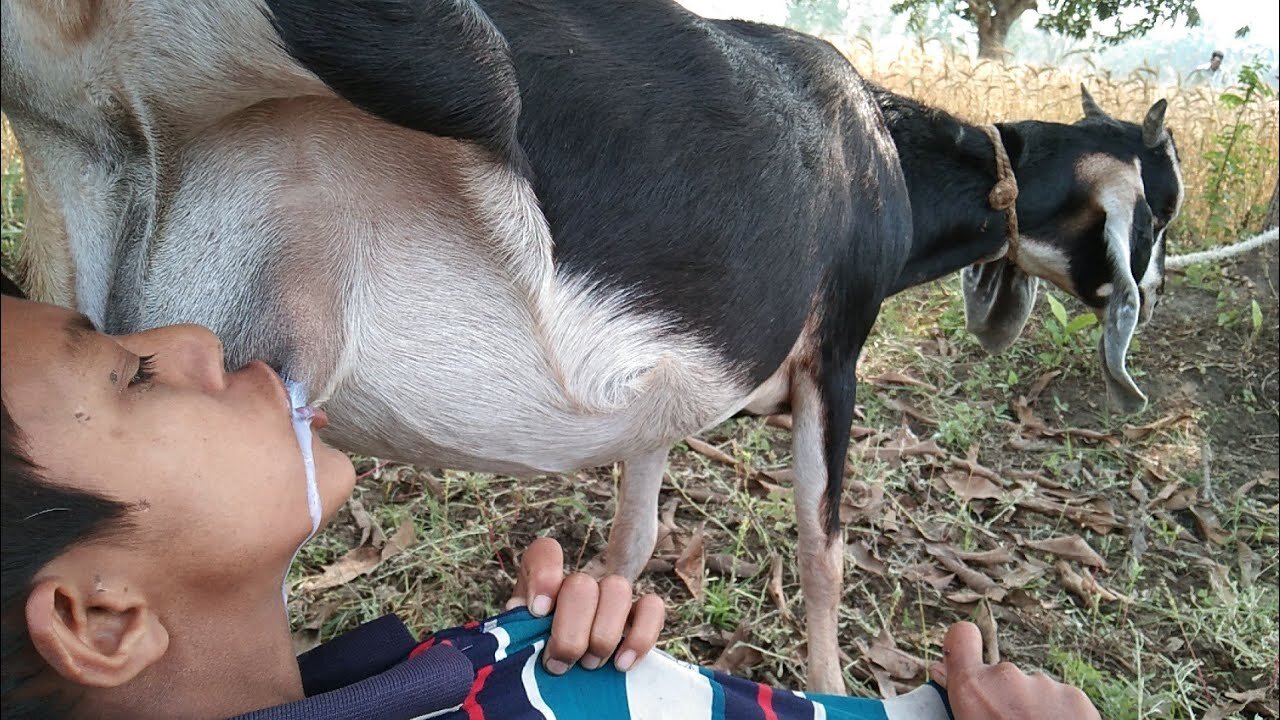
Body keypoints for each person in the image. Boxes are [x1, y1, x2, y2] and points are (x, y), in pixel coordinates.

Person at [0, 281, 1101, 719]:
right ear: (101, 620)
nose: (189, 338)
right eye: (128, 376)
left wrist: (508, 664)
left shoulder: (420, 675)